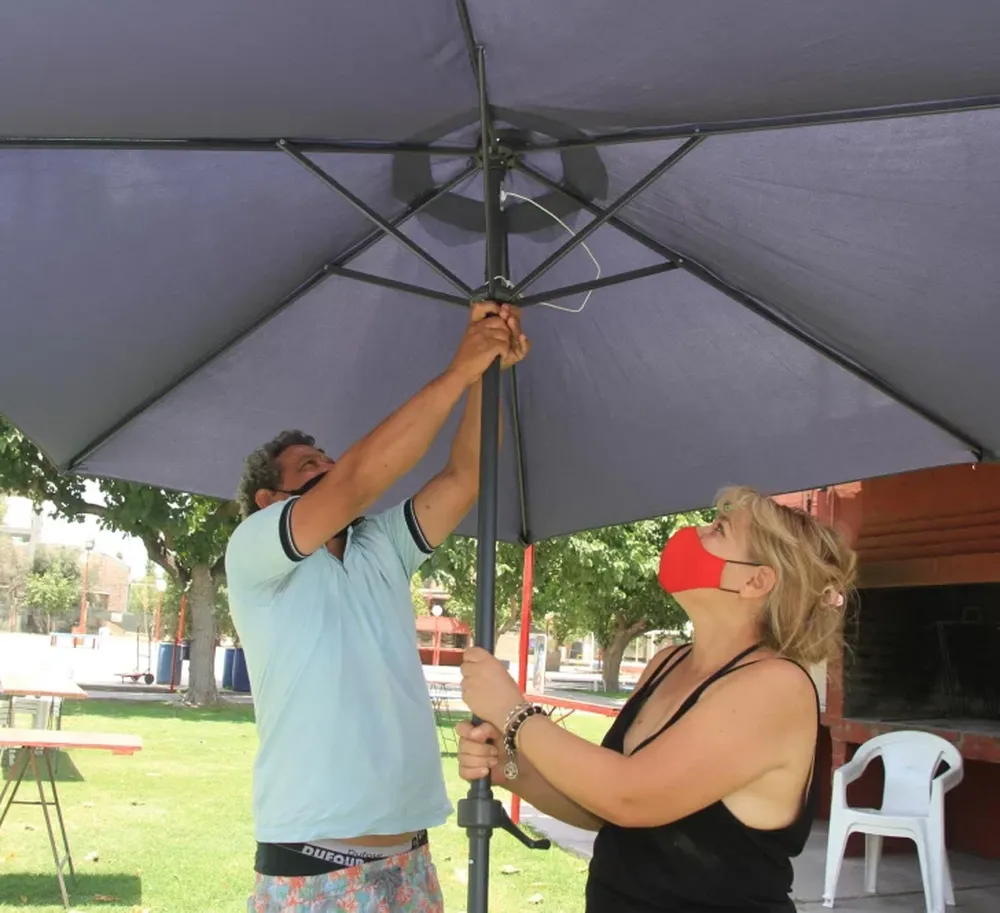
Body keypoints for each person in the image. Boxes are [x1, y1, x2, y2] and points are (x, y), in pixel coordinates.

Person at [226, 301, 529, 913]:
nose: (328, 468)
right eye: (309, 466)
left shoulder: (379, 544)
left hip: (410, 859)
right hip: (316, 869)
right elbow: (359, 479)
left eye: (327, 460)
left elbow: (465, 478)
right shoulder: (254, 549)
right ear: (268, 499)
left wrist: (486, 372)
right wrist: (458, 366)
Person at [458, 486, 857, 912]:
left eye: (719, 529)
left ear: (755, 581)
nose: (693, 532)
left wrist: (514, 714)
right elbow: (602, 810)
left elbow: (629, 796)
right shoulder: (668, 661)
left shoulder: (776, 687)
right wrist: (510, 770)